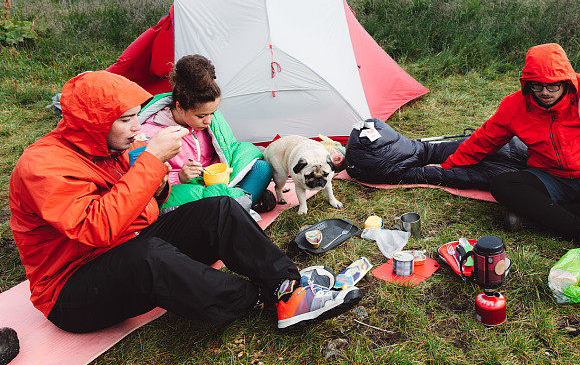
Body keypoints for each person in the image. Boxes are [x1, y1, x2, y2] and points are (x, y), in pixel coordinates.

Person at [8, 71, 361, 333]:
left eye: (136, 117)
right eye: (126, 120)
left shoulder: (108, 146)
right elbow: (96, 229)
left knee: (220, 210)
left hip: (126, 245)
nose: (136, 129)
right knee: (149, 258)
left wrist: (159, 181)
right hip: (73, 290)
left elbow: (140, 206)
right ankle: (259, 299)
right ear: (94, 124)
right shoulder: (44, 167)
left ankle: (288, 284)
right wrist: (149, 163)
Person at [441, 43, 580, 261]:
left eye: (552, 86)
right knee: (502, 185)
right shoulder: (515, 106)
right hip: (548, 178)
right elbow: (484, 140)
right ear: (527, 83)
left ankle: (538, 217)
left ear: (566, 81)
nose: (544, 92)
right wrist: (447, 166)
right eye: (537, 85)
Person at [139, 54, 275, 214]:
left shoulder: (210, 118)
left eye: (213, 113)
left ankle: (235, 208)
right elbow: (148, 182)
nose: (209, 121)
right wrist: (180, 178)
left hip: (216, 180)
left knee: (261, 168)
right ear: (180, 107)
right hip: (185, 189)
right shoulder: (150, 133)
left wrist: (222, 169)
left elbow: (228, 148)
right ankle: (241, 205)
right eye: (201, 116)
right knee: (185, 199)